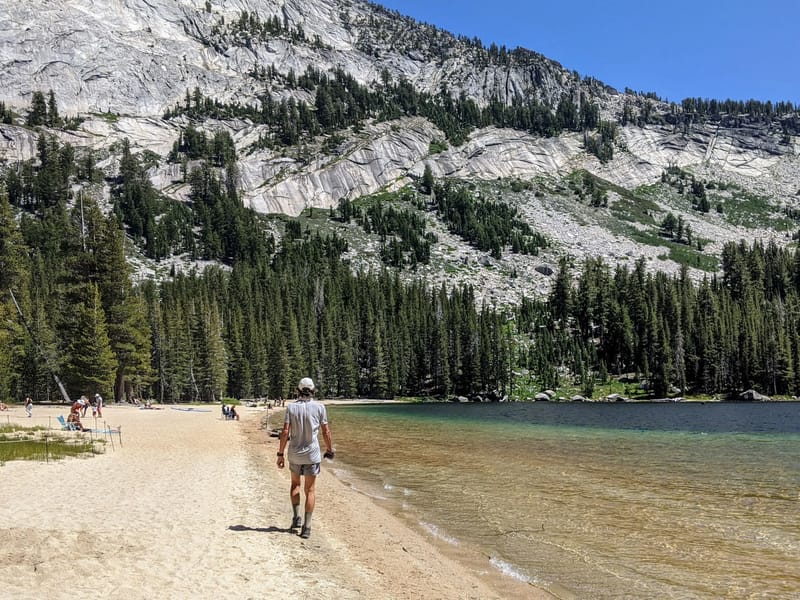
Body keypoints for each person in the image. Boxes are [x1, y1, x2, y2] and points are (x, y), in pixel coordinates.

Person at [276, 377, 334, 540]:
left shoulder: (291, 407)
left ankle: (296, 519)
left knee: (295, 485)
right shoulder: (320, 407)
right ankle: (307, 528)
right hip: (312, 454)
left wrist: (280, 453)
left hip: (295, 454)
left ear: (299, 390)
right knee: (310, 490)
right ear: (313, 390)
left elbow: (285, 432)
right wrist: (329, 449)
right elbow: (326, 432)